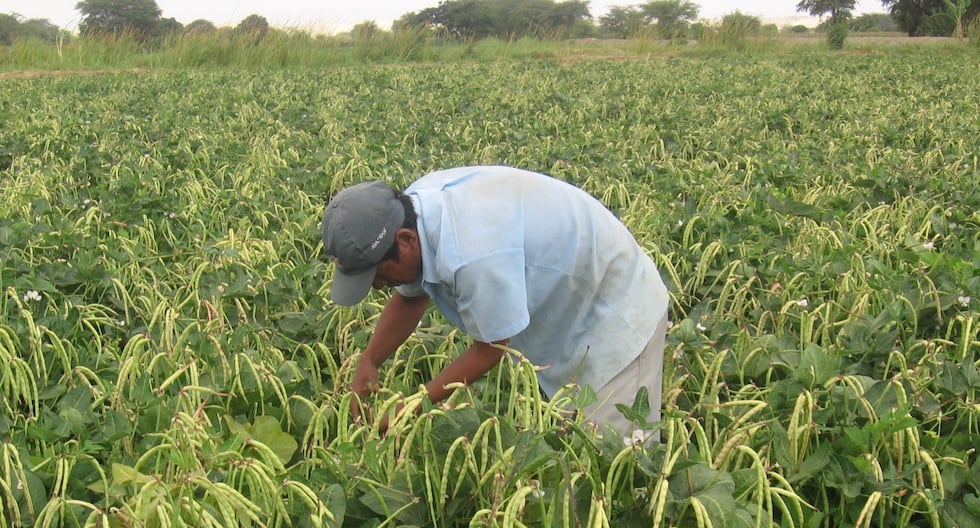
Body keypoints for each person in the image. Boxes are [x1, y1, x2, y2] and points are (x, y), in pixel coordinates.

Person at [321, 166, 670, 436]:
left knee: (614, 458)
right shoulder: (413, 210)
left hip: (616, 311)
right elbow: (410, 299)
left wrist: (413, 405)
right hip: (570, 309)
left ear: (406, 241)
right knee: (576, 439)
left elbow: (491, 348)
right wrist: (370, 361)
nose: (380, 287)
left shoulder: (472, 253)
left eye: (379, 275)